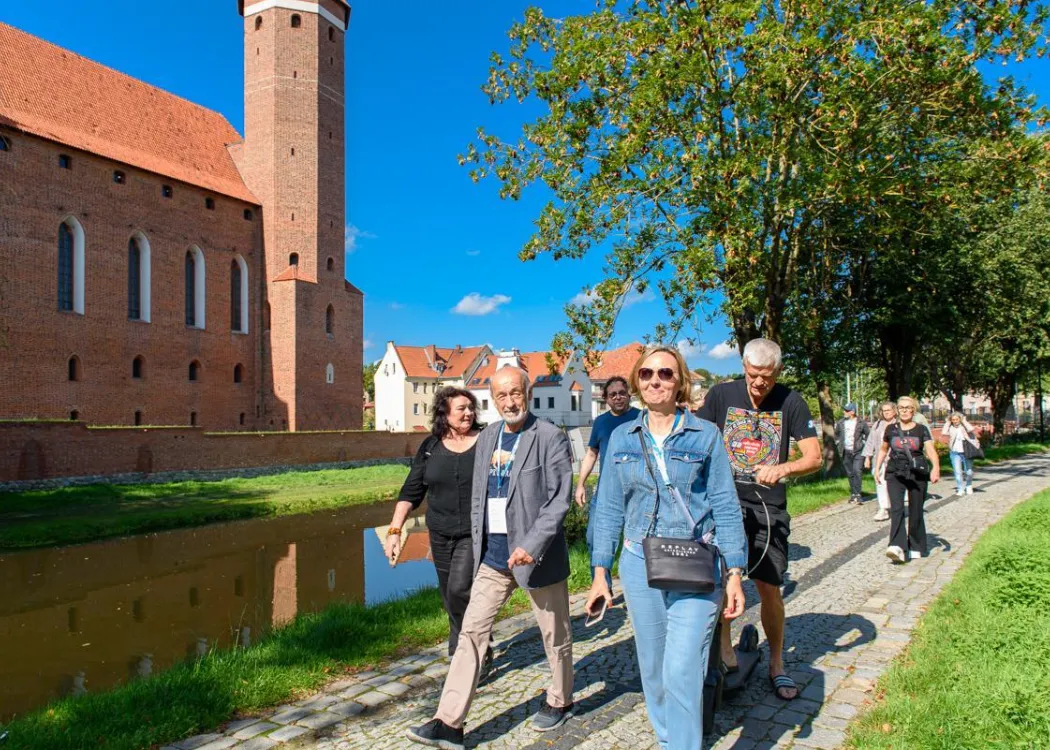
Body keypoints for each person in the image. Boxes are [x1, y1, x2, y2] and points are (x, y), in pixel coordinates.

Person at [586, 345, 747, 750]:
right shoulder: (622, 436)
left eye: (666, 374)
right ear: (638, 381)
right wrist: (600, 572)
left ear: (681, 383)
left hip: (696, 561)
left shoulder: (705, 434)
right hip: (640, 563)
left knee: (682, 668)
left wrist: (735, 573)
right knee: (655, 671)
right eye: (647, 374)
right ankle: (668, 740)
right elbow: (607, 508)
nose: (656, 380)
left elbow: (726, 505)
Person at [408, 366, 575, 749]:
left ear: (527, 392)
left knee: (555, 635)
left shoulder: (549, 437)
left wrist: (531, 545)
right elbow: (479, 493)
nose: (509, 401)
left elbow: (558, 501)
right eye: (501, 396)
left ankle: (561, 698)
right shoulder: (488, 438)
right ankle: (449, 722)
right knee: (471, 632)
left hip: (536, 557)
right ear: (494, 400)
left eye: (515, 393)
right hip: (494, 556)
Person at [696, 338, 821, 701]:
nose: (758, 384)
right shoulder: (721, 395)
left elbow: (814, 457)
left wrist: (783, 467)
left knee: (769, 588)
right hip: (723, 507)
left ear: (777, 372)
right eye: (752, 375)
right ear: (743, 367)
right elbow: (698, 438)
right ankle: (724, 650)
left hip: (768, 509)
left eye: (766, 377)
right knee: (719, 582)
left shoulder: (791, 401)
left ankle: (777, 664)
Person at [385, 387, 483, 658]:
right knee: (448, 594)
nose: (468, 413)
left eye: (470, 407)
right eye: (461, 408)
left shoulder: (485, 442)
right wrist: (394, 531)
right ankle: (462, 646)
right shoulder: (430, 447)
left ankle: (471, 650)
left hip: (473, 533)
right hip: (439, 533)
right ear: (444, 413)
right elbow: (411, 491)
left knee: (459, 589)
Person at [575, 375, 641, 587]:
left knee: (640, 543)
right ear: (605, 398)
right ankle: (602, 588)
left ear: (629, 394)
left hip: (637, 492)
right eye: (613, 394)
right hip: (605, 493)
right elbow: (591, 454)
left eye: (622, 393)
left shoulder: (641, 418)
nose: (618, 397)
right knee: (595, 539)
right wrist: (580, 484)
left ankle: (640, 586)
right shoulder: (601, 422)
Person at [875, 396, 941, 563]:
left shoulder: (921, 430)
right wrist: (877, 468)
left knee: (916, 510)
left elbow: (930, 450)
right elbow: (883, 449)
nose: (904, 410)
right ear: (897, 410)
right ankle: (897, 547)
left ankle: (916, 545)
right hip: (895, 472)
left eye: (908, 407)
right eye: (901, 407)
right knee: (896, 509)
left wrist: (936, 467)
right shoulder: (890, 429)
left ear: (913, 410)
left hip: (916, 473)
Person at [862, 401, 898, 522]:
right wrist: (867, 457)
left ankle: (896, 507)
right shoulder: (877, 424)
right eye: (884, 410)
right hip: (879, 459)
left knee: (894, 484)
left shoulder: (898, 424)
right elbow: (870, 441)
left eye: (889, 410)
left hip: (895, 459)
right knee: (880, 482)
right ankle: (883, 508)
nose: (886, 412)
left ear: (894, 411)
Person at [834, 403, 871, 504]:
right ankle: (853, 494)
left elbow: (868, 435)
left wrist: (866, 447)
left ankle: (858, 494)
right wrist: (838, 443)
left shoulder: (861, 422)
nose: (844, 412)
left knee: (857, 471)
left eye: (846, 410)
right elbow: (836, 435)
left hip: (858, 451)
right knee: (850, 473)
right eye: (844, 410)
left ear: (853, 412)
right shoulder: (841, 422)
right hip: (845, 451)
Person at [942, 411, 978, 497]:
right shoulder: (951, 428)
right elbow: (943, 432)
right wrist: (947, 422)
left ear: (960, 419)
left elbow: (971, 429)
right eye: (953, 419)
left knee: (968, 472)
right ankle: (960, 488)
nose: (955, 421)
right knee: (958, 472)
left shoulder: (964, 427)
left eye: (957, 419)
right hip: (955, 453)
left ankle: (969, 485)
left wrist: (964, 421)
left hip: (967, 452)